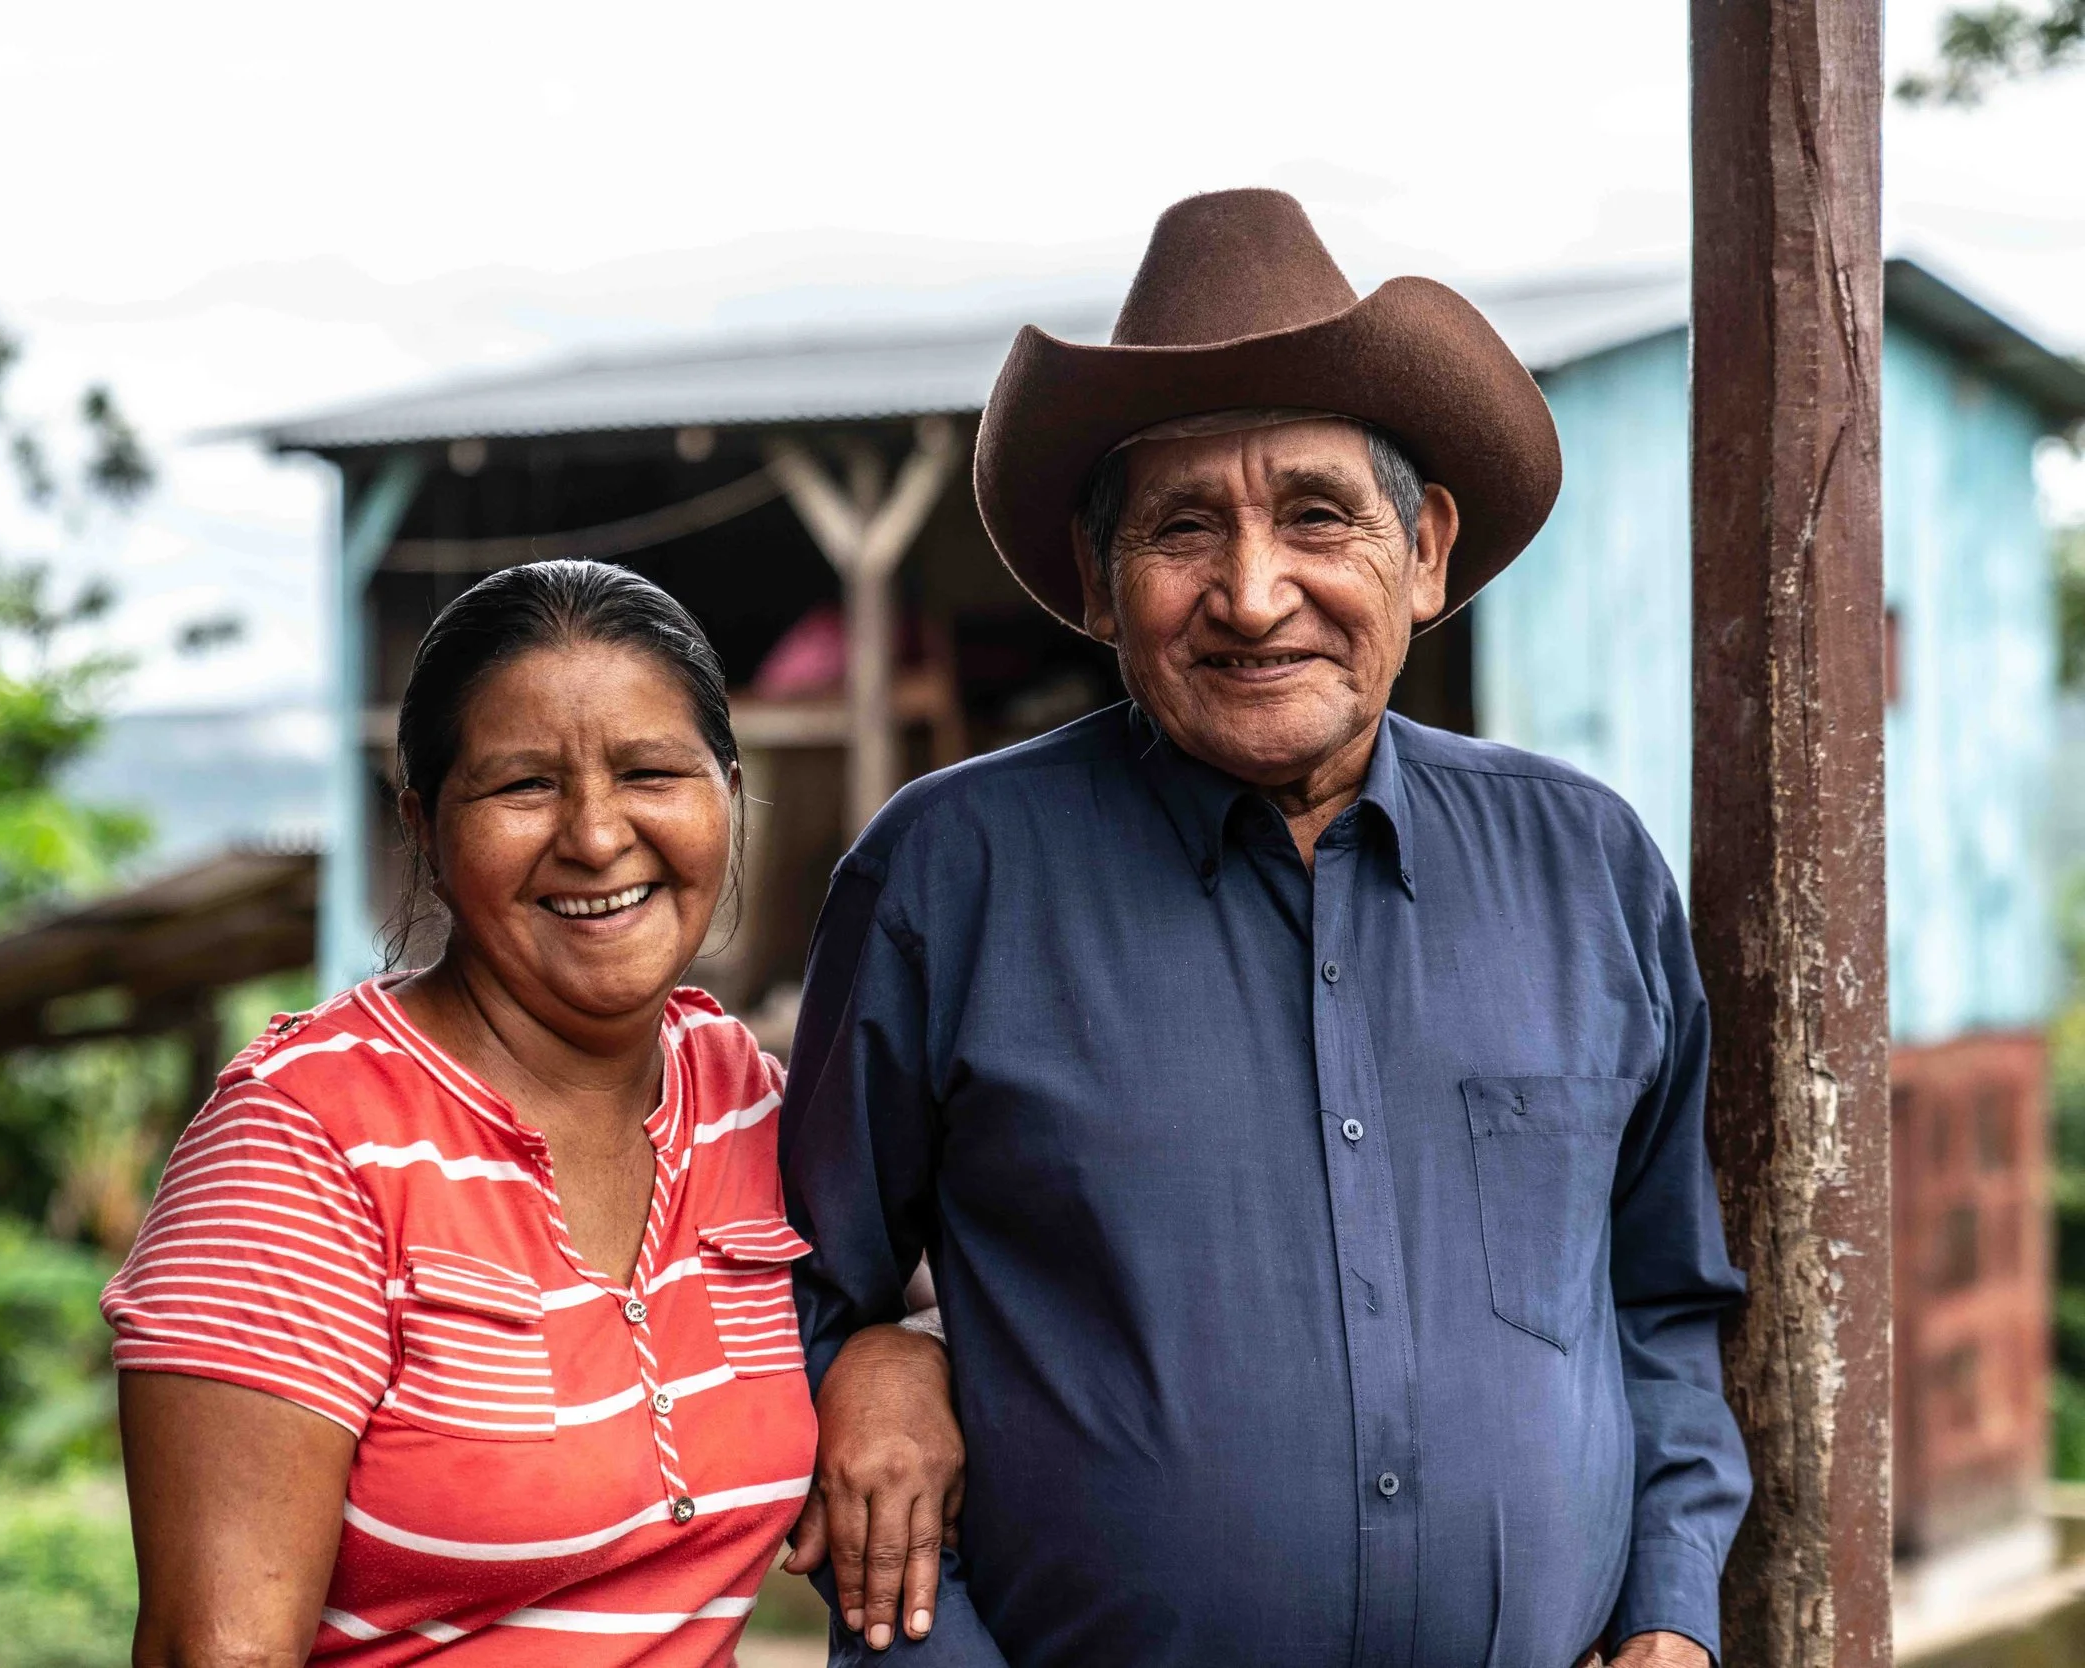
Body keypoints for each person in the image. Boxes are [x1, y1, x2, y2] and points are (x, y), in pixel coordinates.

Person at [783, 190, 1750, 1668]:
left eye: (1316, 515)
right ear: (1099, 584)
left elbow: (1660, 1303)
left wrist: (1672, 1619)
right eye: (1182, 528)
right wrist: (869, 1357)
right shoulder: (948, 876)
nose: (1250, 595)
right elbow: (787, 1297)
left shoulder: (1585, 866)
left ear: (1421, 551)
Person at [104, 561, 819, 1667]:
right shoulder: (299, 1142)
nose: (595, 836)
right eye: (523, 786)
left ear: (727, 791)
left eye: (650, 772)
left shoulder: (747, 1104)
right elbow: (221, 1651)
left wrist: (904, 1358)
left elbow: (1009, 1303)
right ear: (425, 831)